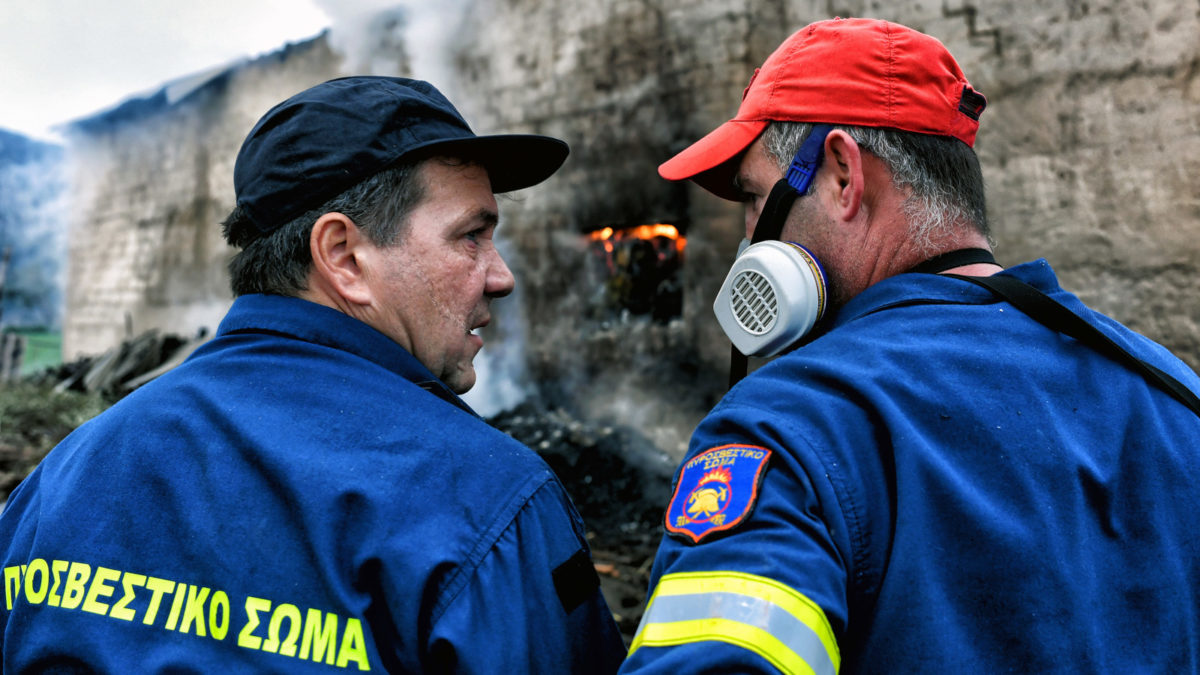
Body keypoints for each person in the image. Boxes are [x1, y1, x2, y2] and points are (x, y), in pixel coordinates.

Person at [621, 17, 1200, 673]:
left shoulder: (789, 427)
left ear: (843, 173)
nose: (750, 238)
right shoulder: (1176, 396)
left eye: (753, 197)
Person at [0, 77, 626, 672]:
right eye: (471, 237)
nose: (500, 275)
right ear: (343, 256)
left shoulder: (63, 476)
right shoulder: (487, 501)